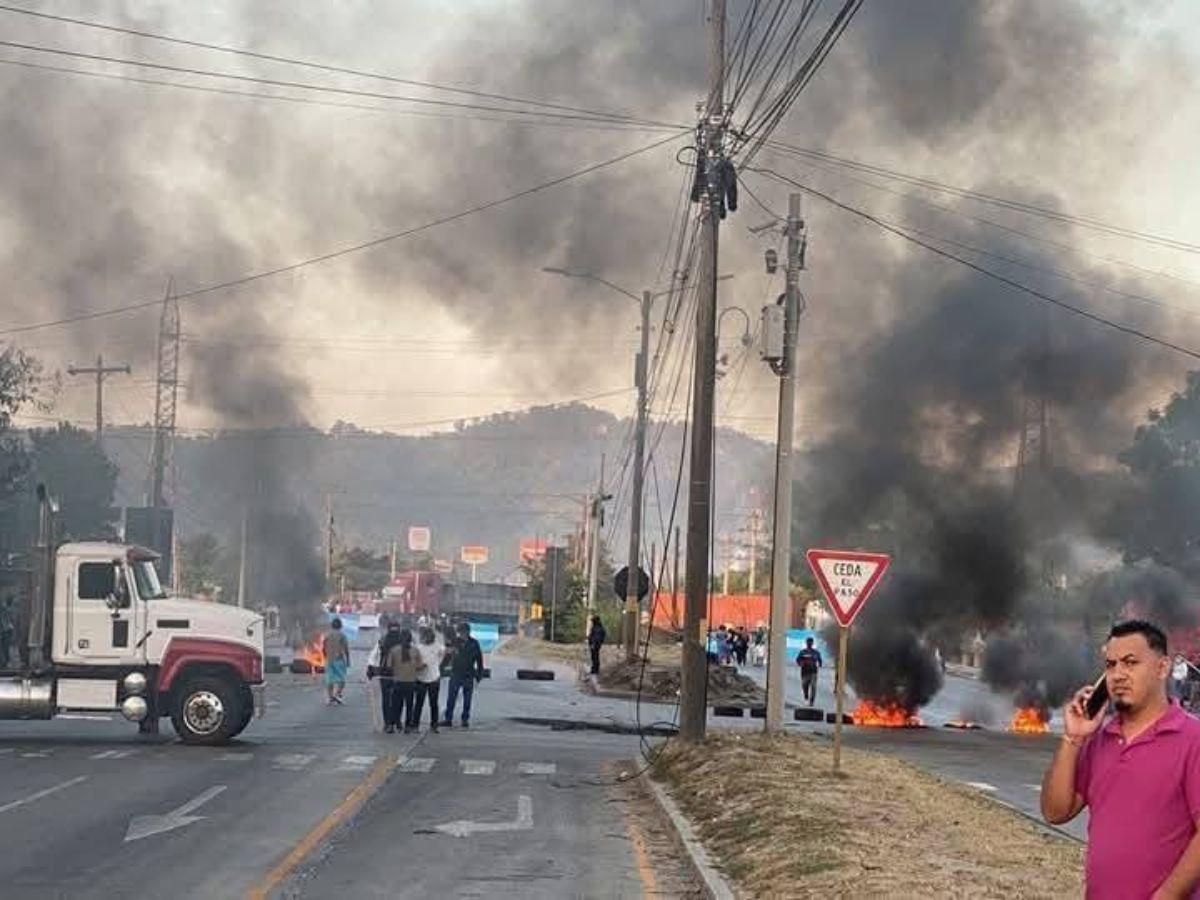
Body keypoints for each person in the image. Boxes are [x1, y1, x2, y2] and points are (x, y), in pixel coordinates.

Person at [1041, 620, 1200, 899]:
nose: (1118, 675)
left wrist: (1166, 896)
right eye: (1111, 665)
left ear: (1162, 668)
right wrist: (1072, 738)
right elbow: (1055, 812)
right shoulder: (1100, 740)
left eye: (1130, 663)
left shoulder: (1192, 738)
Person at [443, 622, 484, 728]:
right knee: (451, 698)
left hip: (468, 675)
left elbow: (479, 660)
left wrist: (479, 674)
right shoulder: (454, 642)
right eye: (460, 632)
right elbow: (447, 657)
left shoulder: (474, 643)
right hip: (456, 673)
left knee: (467, 700)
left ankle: (465, 720)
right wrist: (441, 669)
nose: (462, 634)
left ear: (468, 632)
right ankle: (448, 719)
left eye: (464, 632)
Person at [386, 628, 425, 734]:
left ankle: (391, 725)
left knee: (395, 705)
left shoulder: (394, 650)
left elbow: (389, 666)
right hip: (410, 682)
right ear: (411, 638)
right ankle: (407, 726)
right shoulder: (415, 650)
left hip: (397, 681)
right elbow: (420, 666)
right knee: (409, 705)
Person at [368, 621, 403, 730]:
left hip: (385, 673)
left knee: (386, 699)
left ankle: (387, 723)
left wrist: (370, 668)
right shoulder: (404, 640)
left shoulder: (382, 640)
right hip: (400, 674)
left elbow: (373, 656)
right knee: (398, 698)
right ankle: (397, 720)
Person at [412, 626, 444, 733]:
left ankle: (434, 725)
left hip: (434, 678)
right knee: (419, 703)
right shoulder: (418, 647)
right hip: (421, 678)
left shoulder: (438, 646)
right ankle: (415, 725)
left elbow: (444, 654)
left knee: (433, 703)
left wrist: (438, 664)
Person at [323, 618, 351, 705]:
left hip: (329, 659)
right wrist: (348, 660)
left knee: (329, 679)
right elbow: (346, 648)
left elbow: (323, 648)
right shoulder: (342, 635)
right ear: (340, 626)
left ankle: (330, 697)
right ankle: (337, 694)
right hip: (339, 659)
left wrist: (325, 656)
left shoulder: (327, 635)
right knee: (342, 679)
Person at [796, 637, 823, 706]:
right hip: (805, 672)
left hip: (813, 672)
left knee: (813, 687)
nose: (809, 643)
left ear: (812, 643)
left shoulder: (816, 652)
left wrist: (819, 664)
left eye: (811, 642)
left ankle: (811, 702)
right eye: (808, 642)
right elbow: (798, 660)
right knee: (804, 685)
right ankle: (806, 697)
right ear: (806, 643)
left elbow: (820, 660)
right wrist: (801, 663)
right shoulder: (803, 652)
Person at [0, 597, 14, 669]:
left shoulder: (4, 609)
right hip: (5, 630)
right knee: (4, 647)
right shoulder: (4, 609)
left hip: (6, 630)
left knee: (5, 647)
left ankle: (5, 662)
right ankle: (4, 662)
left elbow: (8, 620)